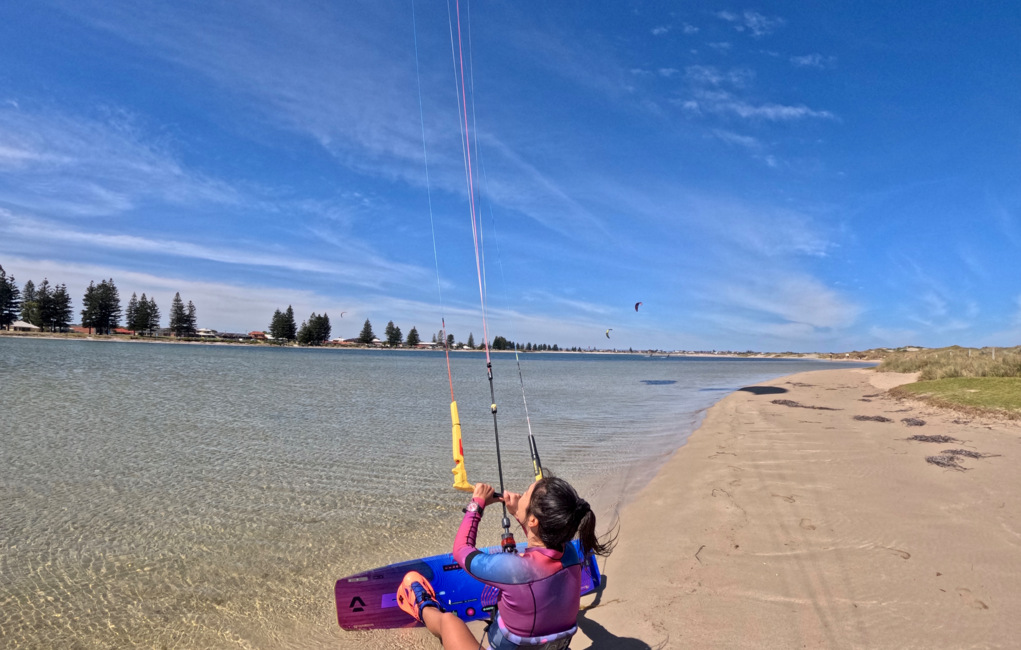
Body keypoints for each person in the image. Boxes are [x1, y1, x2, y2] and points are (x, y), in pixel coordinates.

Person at [397, 474, 615, 650]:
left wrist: (477, 505)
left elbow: (462, 552)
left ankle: (422, 605)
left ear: (534, 520)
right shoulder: (570, 555)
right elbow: (541, 542)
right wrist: (522, 516)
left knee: (449, 623)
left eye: (526, 494)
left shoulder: (515, 569)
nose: (520, 496)